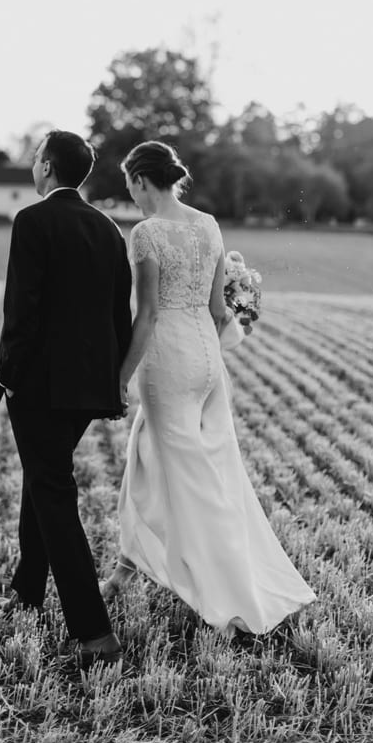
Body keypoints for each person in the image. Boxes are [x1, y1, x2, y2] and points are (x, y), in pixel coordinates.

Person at [102, 141, 315, 633]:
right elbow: (220, 311)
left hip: (169, 362)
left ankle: (229, 595)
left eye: (129, 183)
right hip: (208, 360)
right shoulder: (209, 225)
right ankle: (128, 566)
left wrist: (119, 375)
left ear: (139, 180)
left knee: (187, 479)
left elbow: (148, 314)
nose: (130, 194)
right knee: (183, 463)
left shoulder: (146, 234)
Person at [0, 130, 132, 667]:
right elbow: (119, 312)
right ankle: (27, 592)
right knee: (43, 475)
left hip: (41, 385)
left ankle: (94, 629)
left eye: (34, 159)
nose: (32, 166)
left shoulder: (31, 220)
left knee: (51, 490)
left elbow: (20, 307)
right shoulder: (108, 229)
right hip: (88, 387)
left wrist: (7, 373)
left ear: (48, 168)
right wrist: (112, 385)